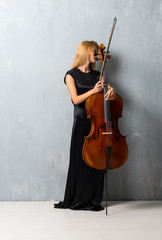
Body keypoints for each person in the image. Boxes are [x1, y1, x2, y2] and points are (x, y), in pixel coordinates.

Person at [54, 40, 115, 211]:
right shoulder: (70, 75)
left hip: (98, 125)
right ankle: (77, 199)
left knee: (96, 161)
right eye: (94, 52)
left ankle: (94, 199)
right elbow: (76, 100)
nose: (97, 55)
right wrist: (93, 91)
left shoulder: (98, 75)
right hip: (81, 123)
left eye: (98, 52)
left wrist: (112, 92)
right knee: (80, 161)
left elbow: (110, 91)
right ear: (86, 52)